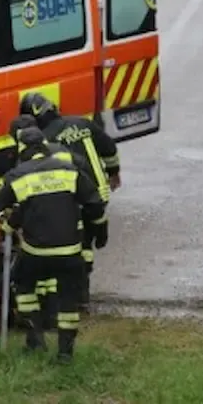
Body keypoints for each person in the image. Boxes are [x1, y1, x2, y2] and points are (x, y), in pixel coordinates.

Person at [0, 126, 106, 362]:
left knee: (23, 285)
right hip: (70, 252)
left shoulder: (20, 175)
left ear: (22, 150)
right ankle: (65, 353)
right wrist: (100, 230)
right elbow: (95, 203)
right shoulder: (69, 171)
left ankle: (35, 340)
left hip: (36, 253)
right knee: (68, 301)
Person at [18, 92, 120, 308]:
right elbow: (109, 149)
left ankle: (75, 295)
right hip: (98, 193)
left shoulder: (44, 140)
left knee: (76, 243)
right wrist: (114, 173)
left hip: (71, 199)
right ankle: (82, 292)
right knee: (87, 243)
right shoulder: (83, 123)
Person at [7, 113, 94, 329]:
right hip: (70, 228)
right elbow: (90, 189)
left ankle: (38, 329)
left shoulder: (23, 166)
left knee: (31, 280)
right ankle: (66, 341)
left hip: (39, 237)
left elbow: (19, 202)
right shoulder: (65, 156)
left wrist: (7, 224)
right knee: (67, 284)